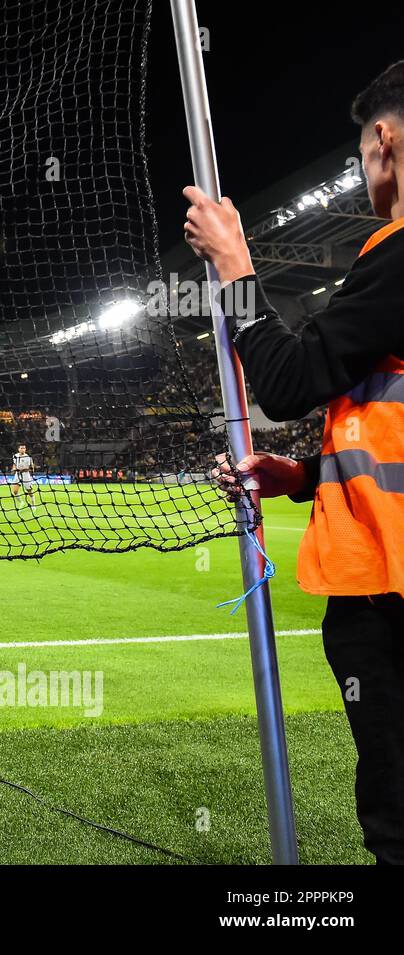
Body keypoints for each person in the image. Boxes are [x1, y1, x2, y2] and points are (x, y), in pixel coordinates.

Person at [189, 61, 404, 864]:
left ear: (382, 139)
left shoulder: (399, 251)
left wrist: (236, 265)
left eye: (359, 149)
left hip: (388, 590)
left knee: (395, 813)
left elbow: (283, 381)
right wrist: (307, 477)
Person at [11, 443, 38, 510]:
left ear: (25, 449)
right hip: (17, 475)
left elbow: (31, 468)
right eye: (21, 448)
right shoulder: (15, 456)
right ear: (18, 449)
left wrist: (23, 470)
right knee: (15, 491)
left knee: (29, 491)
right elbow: (14, 464)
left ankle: (33, 505)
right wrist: (14, 468)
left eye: (24, 448)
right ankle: (21, 502)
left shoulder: (28, 457)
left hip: (26, 475)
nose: (23, 449)